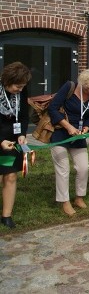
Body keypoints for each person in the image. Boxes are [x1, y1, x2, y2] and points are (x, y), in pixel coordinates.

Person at [49, 68, 89, 215]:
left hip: (79, 135)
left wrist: (86, 127)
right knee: (63, 168)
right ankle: (64, 201)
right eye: (87, 88)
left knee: (83, 167)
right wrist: (68, 127)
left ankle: (79, 198)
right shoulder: (69, 87)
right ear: (82, 82)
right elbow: (53, 108)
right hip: (60, 132)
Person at [0, 62, 31, 228]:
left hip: (12, 140)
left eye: (23, 86)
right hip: (1, 138)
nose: (20, 89)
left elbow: (25, 115)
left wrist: (22, 134)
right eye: (18, 86)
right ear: (7, 81)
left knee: (10, 175)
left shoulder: (22, 90)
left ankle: (6, 215)